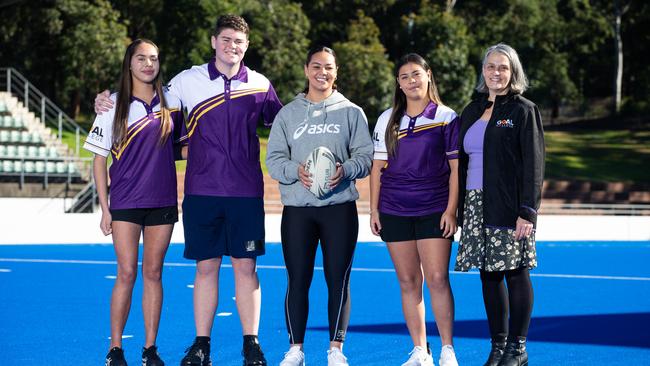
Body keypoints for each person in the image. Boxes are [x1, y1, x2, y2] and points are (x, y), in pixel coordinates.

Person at [95, 15, 283, 366]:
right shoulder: (186, 82)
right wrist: (106, 98)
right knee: (206, 268)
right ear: (213, 41)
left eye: (239, 41)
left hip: (246, 192)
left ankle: (251, 344)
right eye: (226, 40)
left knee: (246, 268)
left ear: (247, 45)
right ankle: (202, 345)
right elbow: (144, 100)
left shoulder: (260, 84)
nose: (232, 46)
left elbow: (284, 127)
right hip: (201, 192)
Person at [266, 46, 373, 366]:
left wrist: (347, 170)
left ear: (336, 72)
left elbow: (365, 157)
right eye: (316, 66)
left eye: (328, 67)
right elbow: (273, 160)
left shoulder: (351, 112)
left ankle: (335, 349)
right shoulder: (288, 113)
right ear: (306, 69)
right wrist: (294, 172)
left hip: (339, 207)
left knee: (337, 278)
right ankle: (295, 348)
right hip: (299, 208)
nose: (321, 72)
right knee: (297, 278)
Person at [85, 39, 184, 366]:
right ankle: (115, 349)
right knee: (126, 272)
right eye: (141, 58)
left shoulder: (172, 101)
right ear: (129, 64)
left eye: (153, 58)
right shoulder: (111, 104)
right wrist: (105, 208)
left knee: (154, 272)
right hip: (125, 201)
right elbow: (98, 160)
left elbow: (181, 147)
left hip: (163, 200)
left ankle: (150, 348)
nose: (148, 64)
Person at [454, 43, 545, 366]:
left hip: (510, 206)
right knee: (488, 276)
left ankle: (518, 349)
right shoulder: (471, 110)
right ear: (483, 71)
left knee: (515, 273)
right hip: (476, 205)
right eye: (491, 66)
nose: (496, 72)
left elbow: (534, 164)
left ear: (513, 72)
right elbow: (459, 161)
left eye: (503, 68)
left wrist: (527, 211)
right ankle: (498, 346)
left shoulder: (523, 110)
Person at [369, 53, 460, 366]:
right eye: (404, 76)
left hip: (434, 209)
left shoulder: (447, 117)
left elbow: (456, 169)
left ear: (428, 75)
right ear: (398, 83)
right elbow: (377, 167)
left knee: (436, 278)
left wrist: (451, 210)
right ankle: (421, 351)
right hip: (394, 209)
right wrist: (374, 210)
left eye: (416, 74)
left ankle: (447, 349)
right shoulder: (387, 119)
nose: (411, 81)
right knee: (408, 281)